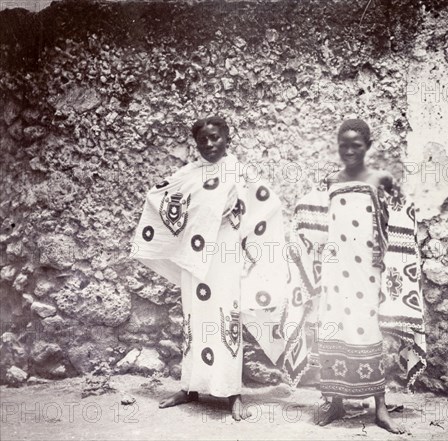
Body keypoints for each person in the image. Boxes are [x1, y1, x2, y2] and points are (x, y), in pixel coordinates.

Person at [131, 116, 286, 420]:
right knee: (195, 319)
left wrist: (238, 214)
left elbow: (268, 206)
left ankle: (232, 393)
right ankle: (190, 387)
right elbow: (159, 198)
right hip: (196, 259)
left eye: (216, 138)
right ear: (197, 143)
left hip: (226, 257)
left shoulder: (240, 175)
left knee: (226, 318)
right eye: (204, 140)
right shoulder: (188, 175)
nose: (210, 144)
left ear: (228, 139)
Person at [281, 119, 427, 433]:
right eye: (343, 144)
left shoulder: (381, 179)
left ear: (367, 146)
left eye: (356, 145)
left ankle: (380, 408)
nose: (349, 150)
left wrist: (387, 250)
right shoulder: (331, 181)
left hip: (367, 271)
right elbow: (315, 216)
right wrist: (300, 233)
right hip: (335, 271)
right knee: (332, 330)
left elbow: (402, 217)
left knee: (367, 331)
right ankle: (335, 401)